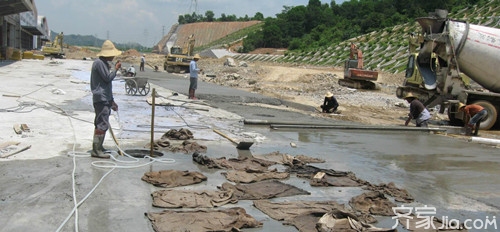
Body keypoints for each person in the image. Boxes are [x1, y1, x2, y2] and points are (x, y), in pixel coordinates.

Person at [90, 40, 122, 158]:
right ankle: (96, 150)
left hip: (105, 98)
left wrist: (112, 101)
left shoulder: (103, 63)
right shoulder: (99, 63)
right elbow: (108, 78)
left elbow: (107, 86)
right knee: (101, 124)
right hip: (101, 98)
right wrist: (116, 69)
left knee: (102, 123)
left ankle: (99, 147)